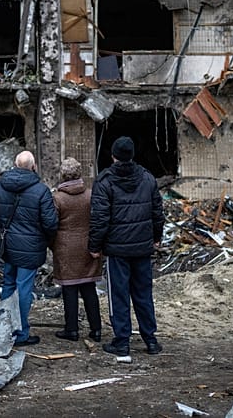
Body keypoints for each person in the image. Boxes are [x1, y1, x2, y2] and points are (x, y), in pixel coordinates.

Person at [89, 136, 165, 359]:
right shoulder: (147, 178)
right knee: (143, 294)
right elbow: (157, 212)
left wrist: (95, 246)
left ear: (113, 156)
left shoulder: (104, 182)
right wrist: (156, 237)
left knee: (118, 296)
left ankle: (122, 342)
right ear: (132, 155)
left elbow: (99, 218)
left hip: (117, 250)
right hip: (142, 248)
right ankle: (150, 340)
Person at [0, 150, 58, 346]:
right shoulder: (41, 190)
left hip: (8, 244)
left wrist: (2, 227)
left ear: (15, 165)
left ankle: (5, 329)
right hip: (31, 246)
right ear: (33, 166)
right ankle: (21, 333)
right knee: (24, 288)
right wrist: (44, 238)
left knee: (8, 284)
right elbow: (50, 223)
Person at [51, 157, 103, 343]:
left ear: (62, 175)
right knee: (89, 287)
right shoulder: (91, 195)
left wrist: (52, 243)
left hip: (65, 247)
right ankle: (96, 329)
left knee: (69, 288)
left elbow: (52, 224)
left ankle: (71, 329)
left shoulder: (57, 198)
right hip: (88, 245)